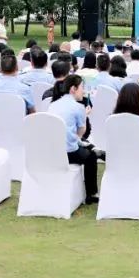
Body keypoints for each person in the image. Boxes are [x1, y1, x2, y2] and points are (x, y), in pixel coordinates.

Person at [47, 74, 99, 205]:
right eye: (82, 87)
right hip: (69, 152)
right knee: (91, 156)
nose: (84, 91)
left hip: (53, 150)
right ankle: (91, 193)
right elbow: (80, 133)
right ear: (73, 89)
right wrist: (85, 116)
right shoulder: (78, 107)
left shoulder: (52, 105)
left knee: (85, 147)